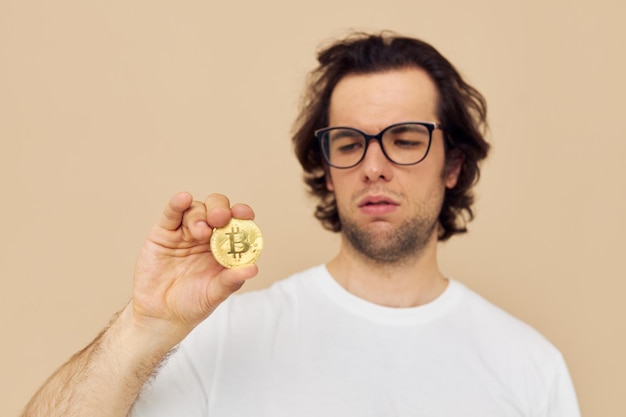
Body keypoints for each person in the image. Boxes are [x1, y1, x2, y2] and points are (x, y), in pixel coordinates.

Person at [21, 32, 580, 417]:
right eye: (349, 143)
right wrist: (143, 326)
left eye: (405, 140)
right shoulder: (223, 335)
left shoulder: (529, 365)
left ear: (453, 165)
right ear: (328, 170)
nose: (375, 165)